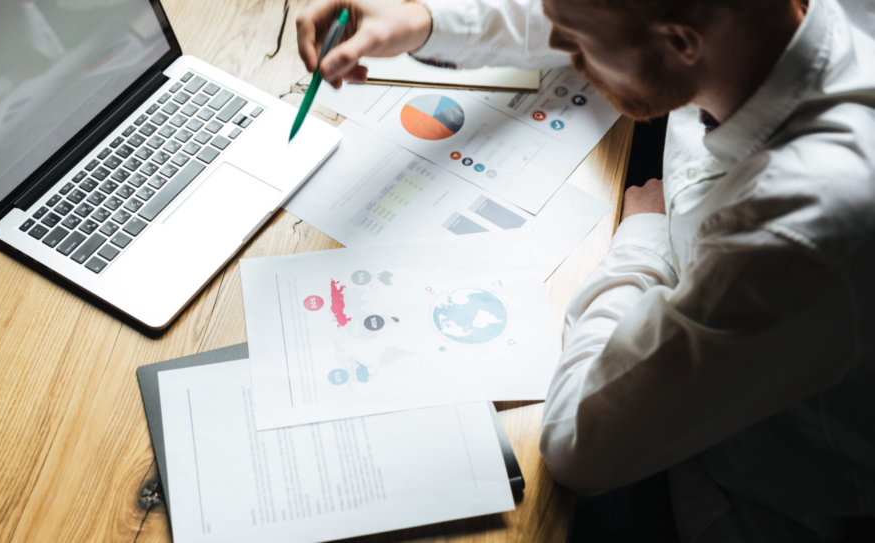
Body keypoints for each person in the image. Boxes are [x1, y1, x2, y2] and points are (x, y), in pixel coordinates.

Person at [296, 0, 875, 541]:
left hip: (732, 491)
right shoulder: (755, 32)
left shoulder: (793, 227)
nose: (569, 55)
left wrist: (643, 239)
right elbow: (597, 16)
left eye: (576, 47)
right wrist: (422, 20)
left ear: (680, 41)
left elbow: (579, 447)